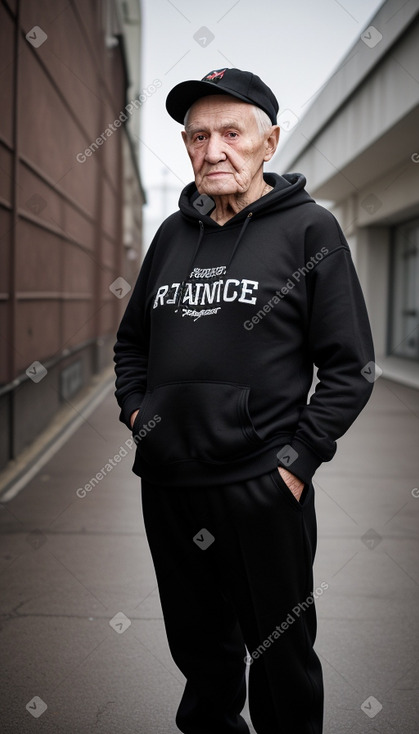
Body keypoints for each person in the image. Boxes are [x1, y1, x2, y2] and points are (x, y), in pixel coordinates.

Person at [114, 67, 375, 734]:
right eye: (197, 136)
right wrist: (139, 415)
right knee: (200, 652)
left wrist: (294, 463)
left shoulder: (309, 230)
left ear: (269, 142)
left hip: (261, 485)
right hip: (169, 484)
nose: (212, 149)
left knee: (280, 654)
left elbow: (350, 366)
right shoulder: (172, 235)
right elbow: (132, 344)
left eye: (232, 132)